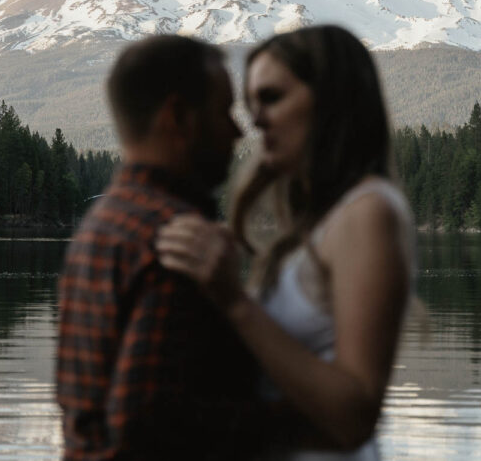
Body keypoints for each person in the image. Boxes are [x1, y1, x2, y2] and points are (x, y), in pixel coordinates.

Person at [157, 25, 414, 461]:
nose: (254, 121)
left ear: (331, 101)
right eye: (251, 103)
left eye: (271, 98)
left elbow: (354, 417)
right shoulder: (318, 224)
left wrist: (235, 302)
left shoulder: (367, 212)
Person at [57, 35, 295, 461]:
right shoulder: (177, 241)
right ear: (179, 118)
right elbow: (147, 423)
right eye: (223, 111)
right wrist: (299, 420)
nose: (238, 130)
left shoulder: (103, 224)